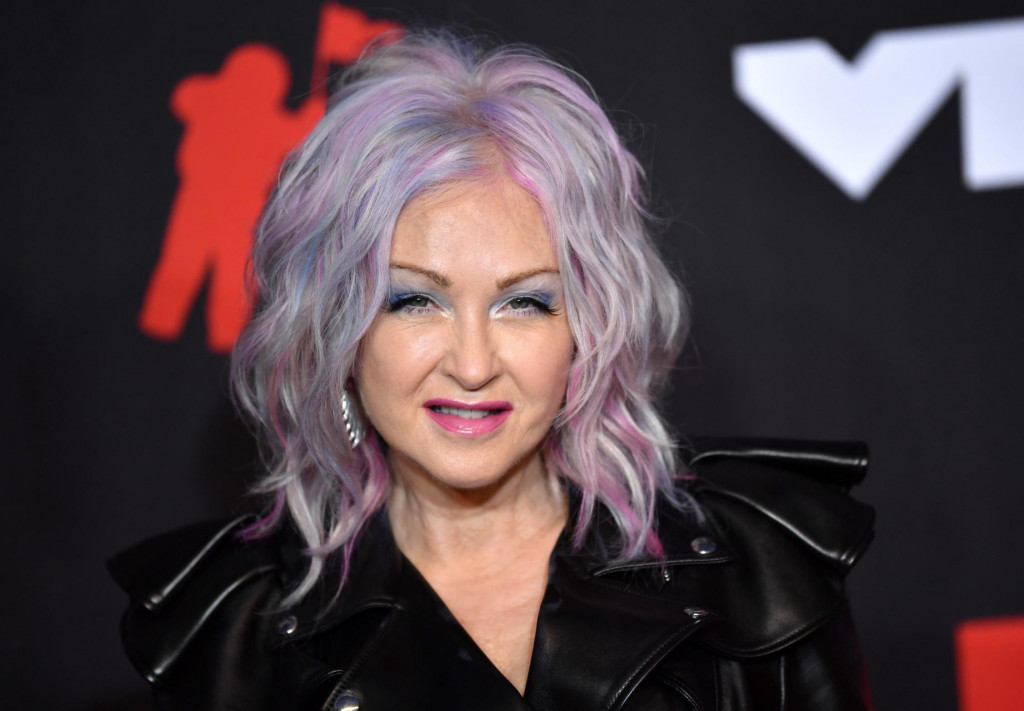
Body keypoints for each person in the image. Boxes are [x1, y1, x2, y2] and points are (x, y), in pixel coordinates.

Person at [111, 30, 875, 710]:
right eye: (413, 300)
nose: (473, 364)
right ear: (336, 331)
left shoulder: (759, 573)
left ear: (590, 326)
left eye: (525, 303)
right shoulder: (229, 638)